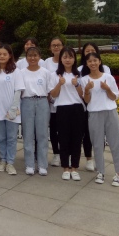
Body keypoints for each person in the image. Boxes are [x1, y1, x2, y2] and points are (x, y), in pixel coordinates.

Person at [80, 51, 119, 187]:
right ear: (86, 64)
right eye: (90, 61)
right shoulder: (84, 80)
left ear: (99, 62)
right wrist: (87, 90)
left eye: (95, 60)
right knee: (97, 144)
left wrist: (107, 89)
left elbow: (114, 97)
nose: (93, 63)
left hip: (110, 112)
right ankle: (100, 172)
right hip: (94, 113)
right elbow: (86, 100)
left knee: (116, 143)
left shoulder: (108, 77)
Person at [0, 44, 24, 175]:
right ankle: (3, 160)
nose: (2, 56)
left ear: (10, 56)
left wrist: (13, 108)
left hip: (12, 111)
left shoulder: (16, 71)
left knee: (12, 138)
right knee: (1, 137)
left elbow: (18, 91)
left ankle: (10, 163)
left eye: (4, 54)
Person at [49, 47, 84, 180]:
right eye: (65, 57)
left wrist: (76, 85)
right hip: (62, 109)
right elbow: (53, 95)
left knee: (76, 139)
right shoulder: (55, 75)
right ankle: (65, 167)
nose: (68, 60)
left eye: (70, 57)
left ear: (74, 59)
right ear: (61, 59)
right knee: (63, 138)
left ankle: (74, 167)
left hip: (77, 109)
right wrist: (59, 84)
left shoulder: (79, 74)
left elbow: (83, 95)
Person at [20, 46, 54, 176]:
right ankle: (29, 164)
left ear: (39, 57)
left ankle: (42, 165)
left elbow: (49, 91)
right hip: (27, 102)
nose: (32, 58)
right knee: (28, 134)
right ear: (26, 57)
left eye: (35, 55)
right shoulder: (21, 72)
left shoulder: (45, 72)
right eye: (30, 55)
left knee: (42, 135)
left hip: (42, 101)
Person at [78, 42, 111, 172]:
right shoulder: (80, 69)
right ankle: (89, 159)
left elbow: (109, 85)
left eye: (93, 50)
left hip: (101, 105)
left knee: (100, 134)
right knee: (88, 133)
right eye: (87, 51)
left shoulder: (105, 68)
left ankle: (99, 158)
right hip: (86, 104)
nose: (90, 53)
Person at [44, 37, 65, 167]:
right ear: (50, 48)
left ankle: (65, 153)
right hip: (51, 101)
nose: (56, 47)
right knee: (53, 130)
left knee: (64, 130)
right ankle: (56, 154)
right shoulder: (47, 62)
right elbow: (44, 80)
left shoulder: (66, 61)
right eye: (53, 45)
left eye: (58, 45)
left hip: (65, 102)